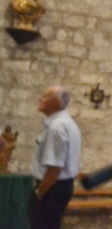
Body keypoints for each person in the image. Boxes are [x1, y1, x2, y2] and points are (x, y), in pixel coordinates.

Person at [30, 85, 81, 229]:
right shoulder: (66, 123)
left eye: (46, 97)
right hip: (59, 187)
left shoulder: (57, 127)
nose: (41, 99)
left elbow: (55, 167)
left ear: (57, 103)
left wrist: (40, 192)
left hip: (51, 188)